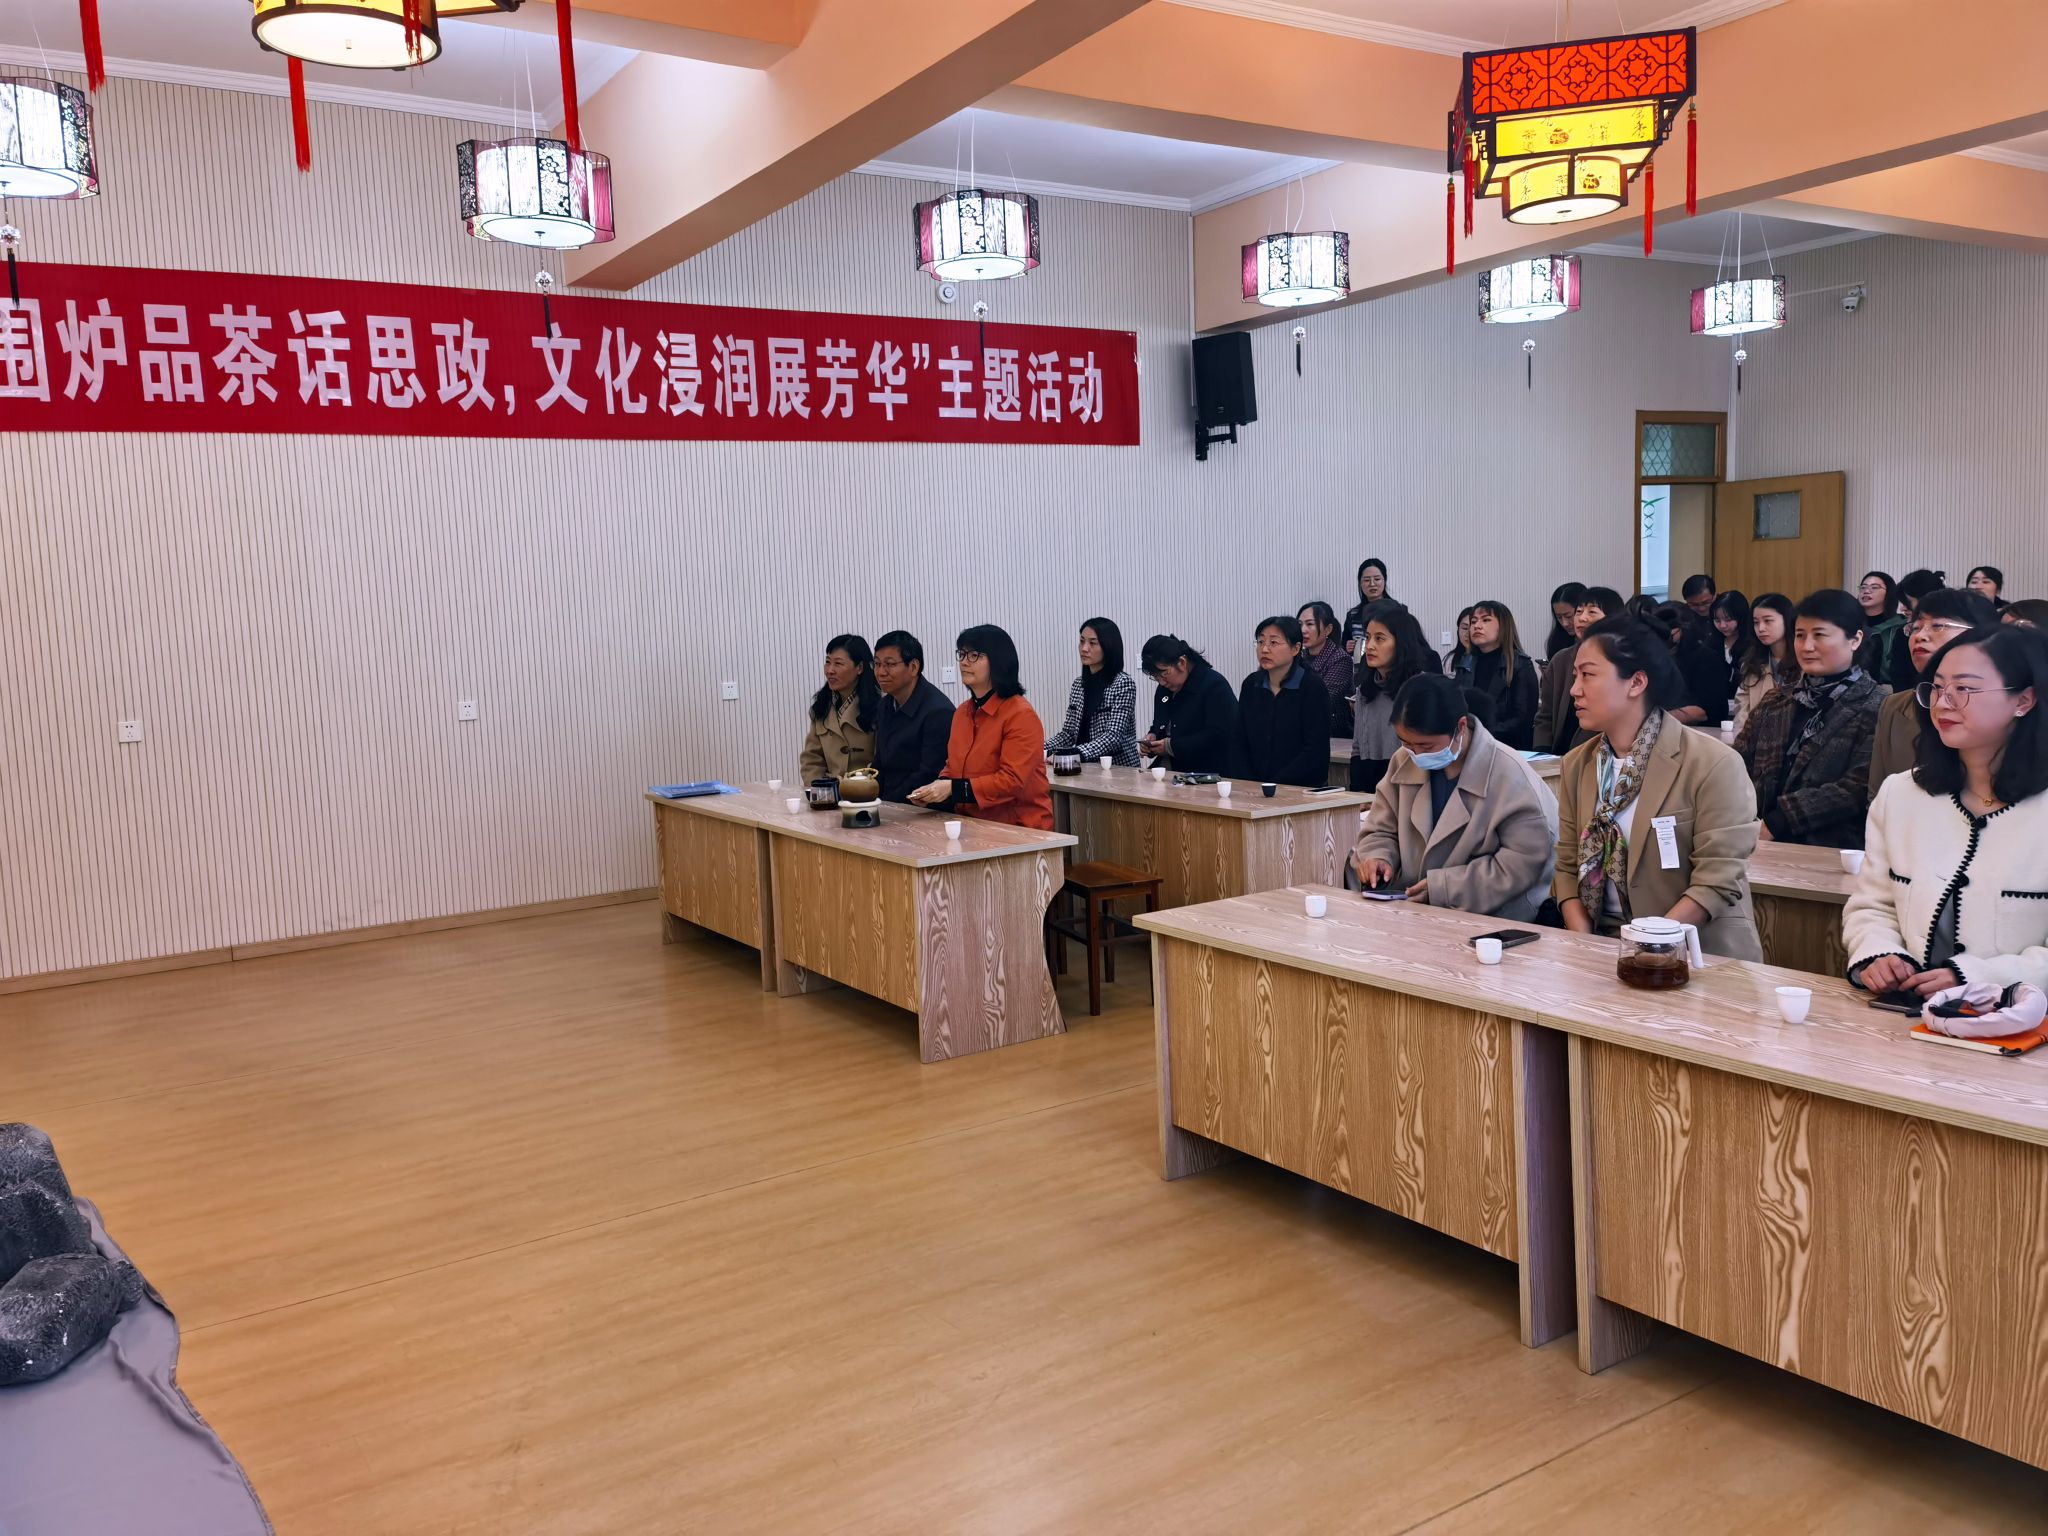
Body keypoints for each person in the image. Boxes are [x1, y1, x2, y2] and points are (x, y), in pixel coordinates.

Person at [1846, 624, 2048, 998]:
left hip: (2022, 1020)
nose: (1942, 703)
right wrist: (1880, 952)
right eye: (1937, 688)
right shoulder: (1901, 794)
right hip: (1907, 1012)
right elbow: (1872, 905)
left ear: (2024, 700)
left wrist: (1978, 977)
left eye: (1964, 689)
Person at [1553, 618, 1762, 958]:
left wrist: (1644, 947)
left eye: (1587, 675)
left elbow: (1716, 879)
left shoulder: (1712, 763)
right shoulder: (1577, 764)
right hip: (1602, 949)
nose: (1574, 689)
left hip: (1695, 953)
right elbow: (1565, 866)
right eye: (1575, 675)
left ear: (1636, 682)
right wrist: (1587, 946)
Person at [1352, 674, 1560, 920]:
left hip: (1496, 919)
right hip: (1415, 912)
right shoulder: (1404, 759)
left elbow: (1521, 863)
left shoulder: (1510, 775)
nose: (1416, 754)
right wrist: (1377, 857)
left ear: (1460, 727)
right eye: (1405, 742)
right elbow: (1379, 829)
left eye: (1426, 746)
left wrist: (1445, 889)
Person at [1733, 588, 1888, 849]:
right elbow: (1739, 760)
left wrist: (1780, 821)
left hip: (1830, 849)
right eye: (1800, 635)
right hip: (1757, 841)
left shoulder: (1877, 706)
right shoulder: (1776, 700)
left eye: (1819, 635)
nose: (1807, 646)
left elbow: (1859, 786)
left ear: (1855, 639)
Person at [908, 625, 1054, 830]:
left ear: (998, 661)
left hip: (1019, 827)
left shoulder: (1020, 714)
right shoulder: (962, 712)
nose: (964, 662)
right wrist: (936, 789)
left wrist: (952, 789)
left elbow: (1011, 780)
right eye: (961, 654)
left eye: (974, 655)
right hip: (972, 824)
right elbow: (954, 766)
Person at [1866, 588, 1997, 795]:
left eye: (1937, 626)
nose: (1920, 636)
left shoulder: (2002, 703)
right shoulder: (1894, 706)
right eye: (1915, 628)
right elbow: (1877, 796)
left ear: (1981, 633)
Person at [1230, 615, 1332, 788]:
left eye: (1274, 643)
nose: (1264, 649)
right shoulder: (1252, 684)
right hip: (1254, 786)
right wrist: (1249, 781)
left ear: (1295, 648)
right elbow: (1239, 738)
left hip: (1300, 787)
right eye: (1260, 642)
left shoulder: (1311, 686)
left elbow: (1315, 748)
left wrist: (1276, 783)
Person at [1349, 601, 1433, 793]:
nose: (1370, 646)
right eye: (1367, 638)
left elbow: (1424, 752)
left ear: (1400, 643)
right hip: (1370, 784)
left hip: (1407, 786)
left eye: (1379, 639)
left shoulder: (1421, 689)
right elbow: (1357, 748)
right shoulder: (1364, 690)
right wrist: (1357, 793)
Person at [1534, 585, 1623, 757]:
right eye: (1579, 612)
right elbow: (1545, 715)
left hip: (1600, 754)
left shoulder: (1621, 660)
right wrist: (1542, 752)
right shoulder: (1561, 659)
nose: (1581, 618)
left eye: (1592, 612)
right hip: (1559, 756)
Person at [1043, 617, 1141, 767]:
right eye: (1082, 641)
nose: (1084, 648)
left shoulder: (1123, 683)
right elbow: (1068, 734)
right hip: (1083, 767)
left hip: (1117, 769)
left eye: (1092, 643)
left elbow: (1113, 737)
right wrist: (1038, 748)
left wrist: (1074, 754)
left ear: (1108, 646)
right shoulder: (1078, 684)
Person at [871, 630, 954, 802]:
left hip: (922, 807)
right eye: (877, 664)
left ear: (914, 667)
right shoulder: (885, 705)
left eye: (889, 664)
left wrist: (885, 804)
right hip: (888, 804)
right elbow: (880, 764)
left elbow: (928, 775)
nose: (880, 672)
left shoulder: (938, 712)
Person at [1138, 635, 1238, 774]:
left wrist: (1171, 747)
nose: (1161, 682)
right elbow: (1161, 725)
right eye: (1155, 677)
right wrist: (1152, 738)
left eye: (1164, 673)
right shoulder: (1164, 690)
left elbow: (1221, 734)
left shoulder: (1213, 685)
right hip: (1173, 769)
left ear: (1182, 662)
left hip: (1208, 772)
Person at [799, 634, 879, 782]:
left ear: (860, 667)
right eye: (827, 662)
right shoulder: (822, 706)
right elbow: (812, 759)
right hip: (829, 792)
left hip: (867, 790)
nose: (830, 670)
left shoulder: (880, 705)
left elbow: (883, 760)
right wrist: (820, 789)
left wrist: (857, 785)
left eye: (838, 663)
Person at [1461, 601, 1537, 749]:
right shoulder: (1466, 662)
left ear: (1503, 626)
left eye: (1486, 620)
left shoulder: (1520, 664)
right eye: (1473, 622)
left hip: (1508, 746)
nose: (1477, 626)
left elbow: (1523, 718)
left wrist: (1482, 735)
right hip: (1470, 745)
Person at [1733, 592, 1799, 733]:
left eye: (1768, 621)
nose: (1761, 628)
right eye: (1756, 622)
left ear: (1787, 620)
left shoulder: (1804, 661)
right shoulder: (1751, 662)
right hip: (1754, 740)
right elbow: (1742, 708)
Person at [1655, 601, 1726, 726]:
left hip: (1701, 730)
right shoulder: (1655, 657)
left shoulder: (1706, 659)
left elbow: (1703, 711)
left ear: (1684, 629)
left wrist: (1655, 720)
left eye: (1667, 633)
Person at [1297, 600, 1355, 735]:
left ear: (1328, 629)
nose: (1303, 630)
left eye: (1310, 624)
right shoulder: (1299, 656)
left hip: (1332, 733)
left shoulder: (1340, 658)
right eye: (1299, 624)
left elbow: (1320, 698)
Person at [1890, 569, 1948, 690]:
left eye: (1907, 602)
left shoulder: (1951, 630)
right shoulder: (1903, 634)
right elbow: (1899, 680)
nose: (1902, 608)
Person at [1709, 590, 1757, 717]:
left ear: (1741, 617)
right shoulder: (1711, 644)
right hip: (1717, 709)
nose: (1722, 625)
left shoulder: (1752, 645)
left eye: (1728, 619)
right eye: (1717, 620)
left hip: (1745, 708)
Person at [1854, 571, 1907, 680]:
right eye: (1863, 587)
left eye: (1874, 587)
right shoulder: (1850, 624)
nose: (1866, 591)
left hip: (1889, 686)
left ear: (1889, 593)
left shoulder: (1901, 626)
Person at [1340, 559, 1394, 647]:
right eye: (1366, 580)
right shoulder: (1353, 615)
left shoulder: (1397, 611)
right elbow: (1344, 645)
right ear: (1360, 583)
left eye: (1377, 579)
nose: (1372, 584)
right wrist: (1347, 646)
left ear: (1385, 580)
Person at [1545, 582, 1589, 661]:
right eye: (1559, 617)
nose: (1564, 623)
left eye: (1568, 616)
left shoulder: (1600, 642)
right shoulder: (1558, 641)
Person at [1444, 606, 1477, 677]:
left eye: (1473, 628)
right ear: (1458, 630)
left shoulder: (1488, 659)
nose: (1468, 634)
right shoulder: (1451, 659)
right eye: (1465, 628)